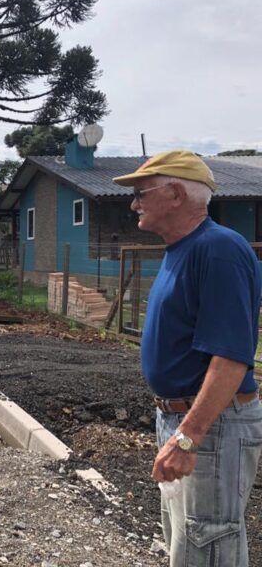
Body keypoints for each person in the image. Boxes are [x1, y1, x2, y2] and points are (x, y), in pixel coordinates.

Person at [113, 150, 262, 566]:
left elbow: (230, 358)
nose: (134, 203)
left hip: (212, 424)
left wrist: (188, 436)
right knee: (188, 543)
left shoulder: (217, 250)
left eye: (141, 193)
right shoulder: (182, 249)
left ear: (175, 193)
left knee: (208, 543)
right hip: (184, 419)